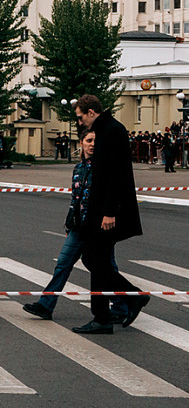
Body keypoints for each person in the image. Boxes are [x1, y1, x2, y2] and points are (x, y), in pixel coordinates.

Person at [23, 131, 129, 323]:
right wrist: (69, 222)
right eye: (89, 141)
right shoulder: (78, 168)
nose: (92, 145)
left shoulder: (105, 168)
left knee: (106, 267)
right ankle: (46, 305)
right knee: (63, 263)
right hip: (78, 227)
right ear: (81, 143)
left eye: (96, 141)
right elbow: (76, 200)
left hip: (99, 228)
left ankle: (121, 305)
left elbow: (112, 197)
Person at [67, 95, 148, 334]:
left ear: (91, 112)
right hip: (101, 209)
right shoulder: (106, 130)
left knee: (95, 259)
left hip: (109, 211)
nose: (80, 123)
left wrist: (110, 212)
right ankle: (132, 298)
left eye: (81, 117)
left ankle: (104, 317)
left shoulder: (112, 131)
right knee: (93, 259)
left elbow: (116, 174)